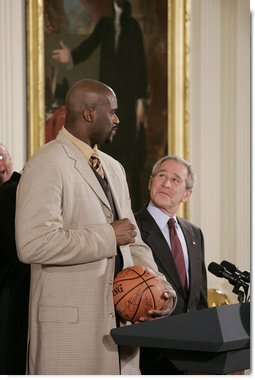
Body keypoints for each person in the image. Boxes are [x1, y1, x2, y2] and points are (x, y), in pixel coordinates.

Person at [15, 79, 177, 375]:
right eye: (112, 112)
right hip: (69, 337)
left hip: (121, 334)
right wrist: (107, 235)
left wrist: (160, 289)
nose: (117, 119)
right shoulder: (46, 163)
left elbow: (133, 240)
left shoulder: (114, 167)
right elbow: (32, 243)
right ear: (89, 114)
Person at [52, 0, 147, 211]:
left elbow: (140, 64)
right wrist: (72, 56)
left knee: (129, 152)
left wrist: (141, 99)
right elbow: (90, 44)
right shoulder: (105, 23)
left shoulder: (132, 26)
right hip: (106, 99)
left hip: (129, 99)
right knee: (110, 148)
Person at [135, 155, 208, 375]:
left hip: (191, 354)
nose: (166, 183)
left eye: (175, 179)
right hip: (149, 354)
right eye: (161, 176)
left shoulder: (194, 234)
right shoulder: (131, 227)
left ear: (187, 194)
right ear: (150, 182)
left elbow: (199, 299)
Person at [0, 150, 30, 374]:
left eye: (3, 156)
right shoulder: (11, 194)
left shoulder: (17, 192)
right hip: (12, 298)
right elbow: (21, 254)